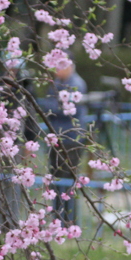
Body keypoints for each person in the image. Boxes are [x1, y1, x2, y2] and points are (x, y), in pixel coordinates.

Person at [37, 55, 88, 224]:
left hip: (70, 139)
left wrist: (53, 105)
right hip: (57, 137)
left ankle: (68, 221)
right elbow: (49, 105)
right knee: (56, 178)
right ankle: (57, 218)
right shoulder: (56, 84)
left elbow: (66, 109)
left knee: (67, 180)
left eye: (60, 66)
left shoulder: (76, 84)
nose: (57, 70)